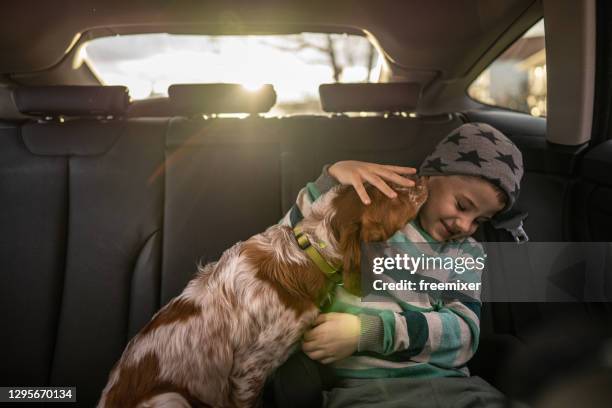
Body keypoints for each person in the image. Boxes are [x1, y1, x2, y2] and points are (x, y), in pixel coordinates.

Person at [272, 122, 524, 407]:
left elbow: (463, 334)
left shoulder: (467, 253)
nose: (465, 225)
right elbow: (288, 243)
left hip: (453, 388)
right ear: (430, 176)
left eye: (480, 221)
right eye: (462, 206)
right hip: (366, 391)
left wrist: (369, 332)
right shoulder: (372, 214)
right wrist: (330, 179)